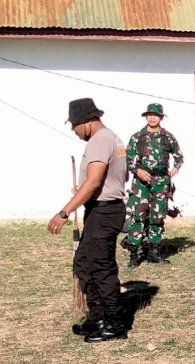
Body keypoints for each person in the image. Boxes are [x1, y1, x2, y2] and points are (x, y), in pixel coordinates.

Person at [47, 98, 129, 343]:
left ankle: (114, 324)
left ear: (86, 121)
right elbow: (114, 176)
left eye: (74, 125)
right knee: (85, 262)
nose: (74, 130)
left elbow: (94, 181)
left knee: (100, 268)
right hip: (105, 208)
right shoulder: (113, 138)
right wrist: (84, 190)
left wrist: (63, 213)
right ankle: (97, 318)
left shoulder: (99, 140)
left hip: (104, 211)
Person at [122, 103, 184, 267]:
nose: (152, 117)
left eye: (155, 115)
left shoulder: (168, 137)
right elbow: (128, 159)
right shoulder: (137, 137)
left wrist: (175, 168)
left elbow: (179, 156)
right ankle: (134, 255)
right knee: (137, 217)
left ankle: (154, 253)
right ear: (146, 116)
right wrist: (137, 171)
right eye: (149, 114)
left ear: (161, 118)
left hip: (161, 183)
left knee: (157, 217)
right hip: (142, 182)